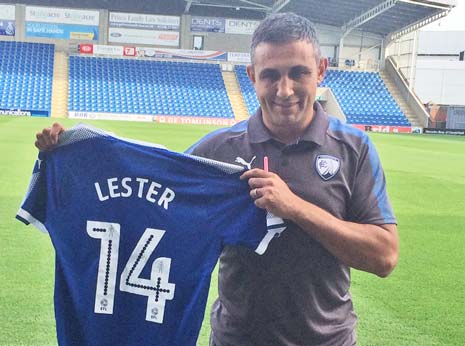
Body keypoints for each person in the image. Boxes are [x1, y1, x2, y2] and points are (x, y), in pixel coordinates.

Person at [35, 12, 398, 346]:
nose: (284, 90)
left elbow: (384, 256)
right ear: (253, 76)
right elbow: (146, 196)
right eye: (270, 75)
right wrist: (72, 156)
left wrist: (295, 208)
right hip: (235, 340)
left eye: (298, 72)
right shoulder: (217, 151)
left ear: (320, 70)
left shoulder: (354, 149)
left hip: (328, 341)